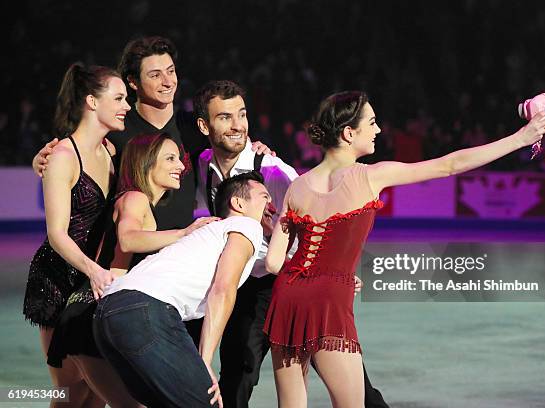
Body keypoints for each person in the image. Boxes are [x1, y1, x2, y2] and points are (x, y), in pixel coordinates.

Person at [264, 91, 545, 407]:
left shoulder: (297, 186)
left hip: (287, 297)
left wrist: (322, 273)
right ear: (348, 133)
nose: (379, 130)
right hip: (328, 301)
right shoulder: (371, 175)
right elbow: (450, 165)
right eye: (371, 123)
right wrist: (522, 138)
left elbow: (276, 262)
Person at [194, 80, 388, 408]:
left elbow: (318, 219)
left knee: (352, 382)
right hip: (245, 288)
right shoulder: (203, 164)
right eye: (225, 117)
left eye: (241, 114)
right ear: (204, 126)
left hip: (290, 283)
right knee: (238, 374)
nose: (238, 125)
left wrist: (327, 269)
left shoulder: (273, 171)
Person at [32, 36, 273, 231]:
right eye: (155, 75)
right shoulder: (117, 127)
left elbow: (230, 140)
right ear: (133, 83)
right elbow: (75, 154)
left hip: (178, 254)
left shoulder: (193, 127)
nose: (168, 82)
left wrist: (255, 148)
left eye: (171, 71)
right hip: (127, 257)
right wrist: (42, 159)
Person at [46, 133, 214, 407]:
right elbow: (128, 238)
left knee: (77, 401)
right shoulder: (135, 198)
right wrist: (184, 233)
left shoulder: (140, 201)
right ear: (147, 163)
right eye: (170, 159)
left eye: (179, 159)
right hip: (89, 314)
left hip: (87, 311)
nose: (181, 166)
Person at [93, 171, 271, 407]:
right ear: (238, 204)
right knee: (204, 402)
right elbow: (223, 289)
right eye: (265, 196)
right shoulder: (246, 225)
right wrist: (204, 361)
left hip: (107, 314)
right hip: (145, 310)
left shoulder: (207, 234)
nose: (272, 204)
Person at [22, 62, 130, 407]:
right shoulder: (62, 157)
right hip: (59, 280)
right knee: (70, 393)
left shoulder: (111, 152)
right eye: (119, 98)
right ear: (92, 102)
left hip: (93, 282)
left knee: (98, 393)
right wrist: (94, 270)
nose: (126, 105)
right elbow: (56, 234)